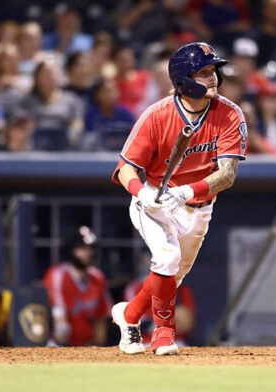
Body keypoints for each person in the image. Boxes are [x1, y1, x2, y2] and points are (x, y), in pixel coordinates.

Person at [110, 42, 246, 355]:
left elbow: (227, 175)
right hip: (155, 203)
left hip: (197, 206)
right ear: (183, 80)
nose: (212, 78)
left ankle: (128, 316)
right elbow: (125, 169)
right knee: (167, 259)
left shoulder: (229, 113)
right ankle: (163, 335)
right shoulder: (156, 116)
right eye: (203, 72)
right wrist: (142, 192)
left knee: (173, 275)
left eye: (213, 71)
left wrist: (187, 191)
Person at [41, 226, 112, 347]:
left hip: (88, 346)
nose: (87, 253)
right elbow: (60, 322)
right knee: (62, 328)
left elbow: (102, 318)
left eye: (90, 248)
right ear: (71, 250)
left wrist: (98, 348)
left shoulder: (97, 276)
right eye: (82, 248)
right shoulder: (58, 274)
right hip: (58, 345)